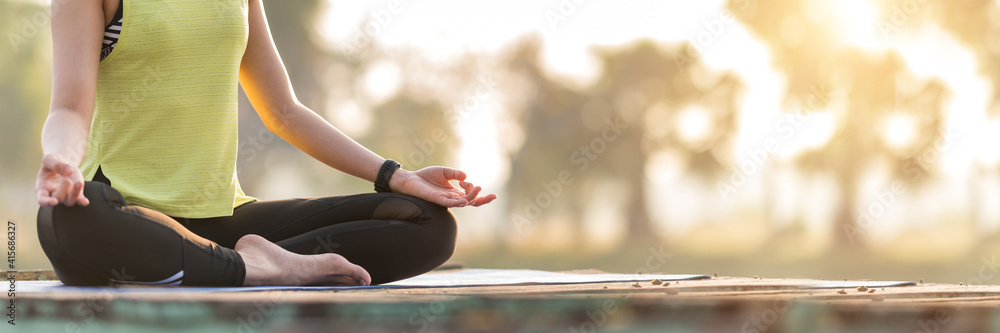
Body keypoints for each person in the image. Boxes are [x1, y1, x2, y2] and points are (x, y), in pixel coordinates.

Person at [35, 0, 496, 287]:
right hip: (129, 220)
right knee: (68, 217)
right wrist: (62, 160)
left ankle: (241, 264)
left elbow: (283, 111)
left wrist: (395, 176)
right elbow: (70, 109)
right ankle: (258, 269)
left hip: (222, 222)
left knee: (428, 222)